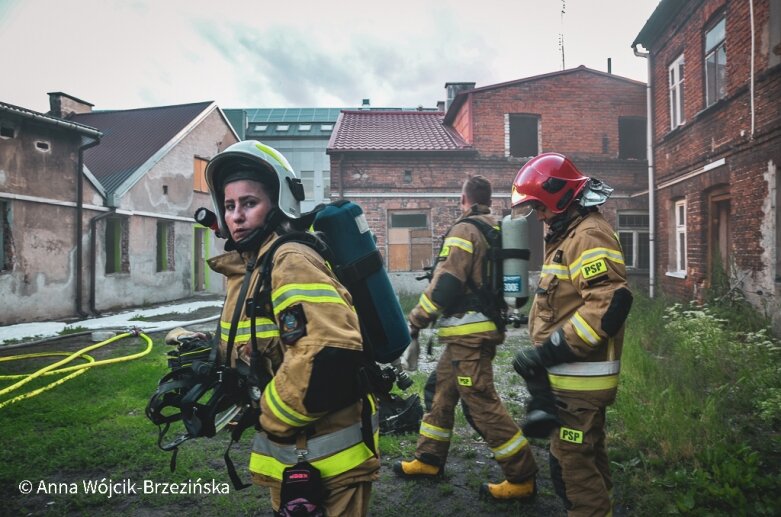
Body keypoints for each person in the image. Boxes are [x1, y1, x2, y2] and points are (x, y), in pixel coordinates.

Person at [202, 140, 379, 515]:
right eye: (230, 205)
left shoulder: (289, 259)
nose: (236, 216)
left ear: (279, 203)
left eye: (249, 203)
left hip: (329, 455)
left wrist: (270, 414)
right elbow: (265, 340)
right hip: (295, 452)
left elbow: (330, 350)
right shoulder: (249, 268)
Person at [394, 174, 538, 501]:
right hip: (475, 330)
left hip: (468, 332)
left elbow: (447, 283)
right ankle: (429, 458)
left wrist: (416, 319)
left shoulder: (464, 229)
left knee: (481, 402)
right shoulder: (496, 229)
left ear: (465, 199)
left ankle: (522, 474)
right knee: (441, 392)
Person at [510, 152, 632, 516]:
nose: (541, 217)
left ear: (559, 197)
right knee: (587, 459)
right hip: (570, 382)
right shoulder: (568, 235)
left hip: (581, 382)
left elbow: (608, 305)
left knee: (572, 469)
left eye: (541, 208)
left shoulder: (588, 235)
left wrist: (547, 354)